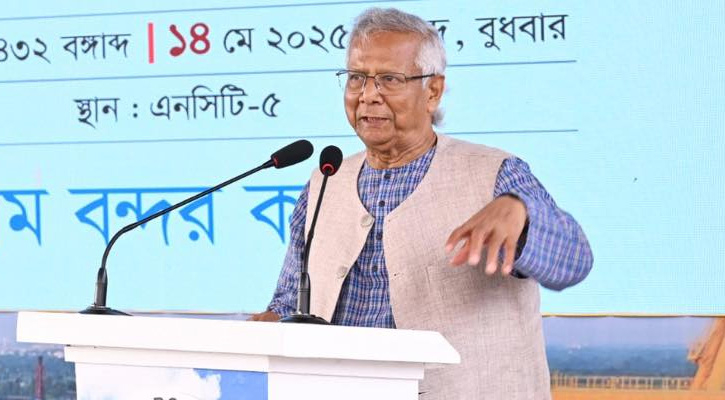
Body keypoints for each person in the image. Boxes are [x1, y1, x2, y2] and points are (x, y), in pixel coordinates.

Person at [251, 7, 593, 400]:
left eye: (389, 79)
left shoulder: (495, 173)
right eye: (357, 78)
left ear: (433, 91)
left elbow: (575, 261)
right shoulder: (324, 181)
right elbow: (287, 303)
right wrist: (268, 325)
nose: (368, 95)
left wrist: (523, 214)